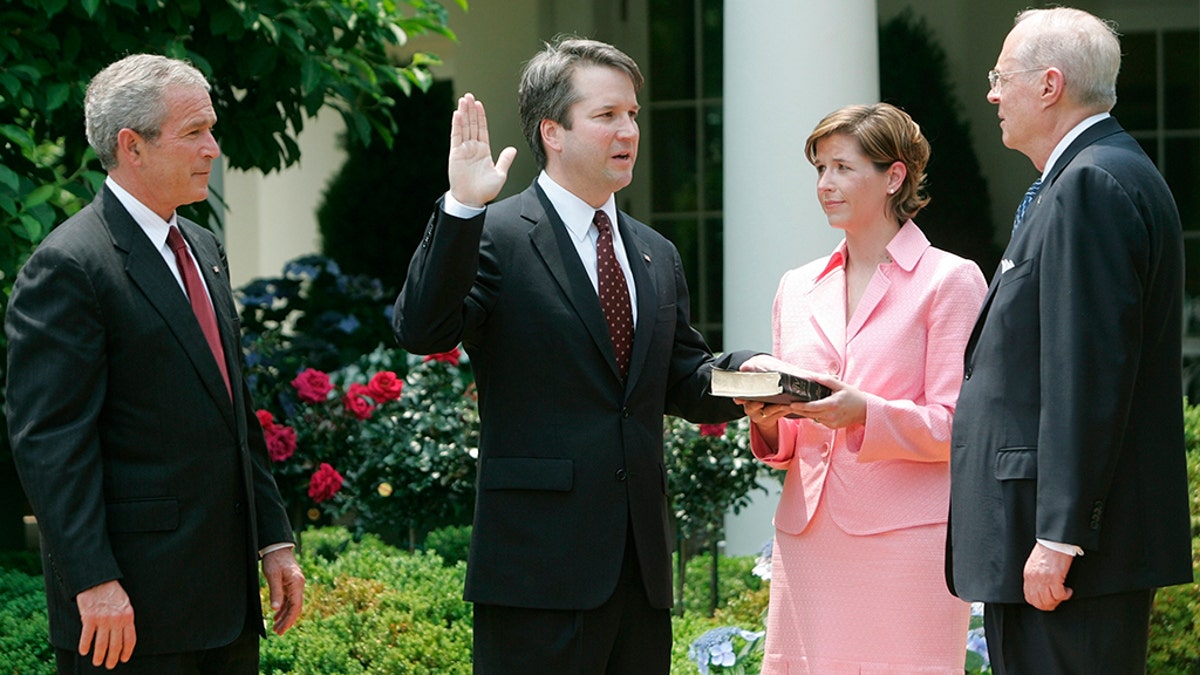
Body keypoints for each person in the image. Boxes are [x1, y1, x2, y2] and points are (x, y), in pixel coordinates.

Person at [393, 38, 755, 674]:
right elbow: (423, 329)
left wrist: (754, 378)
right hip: (536, 573)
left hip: (639, 574)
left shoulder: (654, 252)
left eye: (633, 115)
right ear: (552, 131)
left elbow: (682, 378)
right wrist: (461, 208)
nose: (628, 131)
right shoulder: (496, 234)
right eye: (607, 115)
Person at [6, 54, 304, 674]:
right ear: (131, 146)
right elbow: (50, 444)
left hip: (224, 608)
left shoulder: (203, 246)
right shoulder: (68, 266)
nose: (213, 149)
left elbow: (233, 410)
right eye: (194, 132)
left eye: (211, 130)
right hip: (129, 613)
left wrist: (274, 540)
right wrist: (93, 581)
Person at [946, 8, 1193, 674]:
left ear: (1050, 84)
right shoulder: (1093, 174)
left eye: (1002, 77)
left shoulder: (1089, 183)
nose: (992, 93)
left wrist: (1058, 537)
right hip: (1060, 548)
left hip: (1065, 557)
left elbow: (1085, 374)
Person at [737, 103, 987, 673]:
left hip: (906, 545)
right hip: (808, 539)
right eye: (820, 169)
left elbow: (960, 426)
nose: (826, 184)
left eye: (843, 168)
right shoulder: (795, 288)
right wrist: (769, 421)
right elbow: (796, 438)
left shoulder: (950, 280)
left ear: (894, 176)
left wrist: (863, 414)